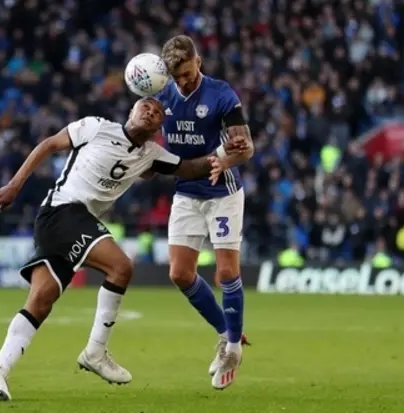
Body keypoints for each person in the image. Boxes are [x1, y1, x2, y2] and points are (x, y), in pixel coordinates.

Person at [0, 97, 252, 402]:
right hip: (61, 211)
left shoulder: (151, 155)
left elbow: (190, 168)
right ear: (130, 110)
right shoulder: (95, 127)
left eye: (158, 112)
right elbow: (49, 145)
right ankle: (95, 351)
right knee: (121, 266)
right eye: (145, 106)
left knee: (41, 300)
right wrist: (14, 186)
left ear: (160, 127)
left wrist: (225, 152)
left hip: (73, 224)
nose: (151, 111)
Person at [154, 35, 254, 390]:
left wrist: (224, 158)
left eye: (186, 72)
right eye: (176, 76)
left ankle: (232, 351)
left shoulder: (221, 94)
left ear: (198, 61)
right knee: (180, 274)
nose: (183, 81)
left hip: (222, 191)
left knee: (226, 271)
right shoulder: (161, 94)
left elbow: (247, 147)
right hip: (186, 192)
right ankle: (227, 332)